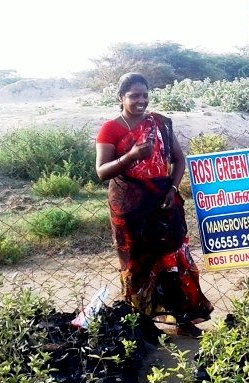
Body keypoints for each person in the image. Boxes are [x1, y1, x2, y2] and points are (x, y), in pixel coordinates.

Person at [95, 72, 213, 337]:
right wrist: (132, 155)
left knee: (173, 259)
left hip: (163, 202)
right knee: (136, 263)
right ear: (121, 98)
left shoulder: (159, 124)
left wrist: (172, 189)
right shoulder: (110, 129)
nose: (141, 101)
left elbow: (179, 161)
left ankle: (183, 317)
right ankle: (143, 325)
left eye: (145, 95)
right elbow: (102, 171)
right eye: (134, 95)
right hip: (129, 207)